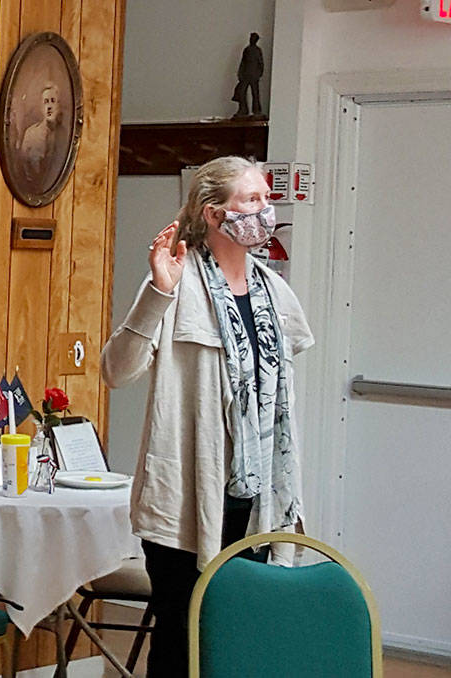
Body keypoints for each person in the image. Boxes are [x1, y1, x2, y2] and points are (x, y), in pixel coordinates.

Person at [101, 156, 313, 677]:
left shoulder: (273, 291)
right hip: (186, 498)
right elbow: (116, 370)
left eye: (268, 199)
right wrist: (158, 292)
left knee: (239, 638)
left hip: (257, 497)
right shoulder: (178, 280)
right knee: (181, 639)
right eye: (254, 200)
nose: (267, 210)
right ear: (214, 214)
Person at [19, 83, 59, 178]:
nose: (49, 107)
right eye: (46, 102)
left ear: (59, 105)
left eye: (53, 101)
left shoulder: (64, 136)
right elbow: (23, 163)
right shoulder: (30, 134)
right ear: (41, 107)